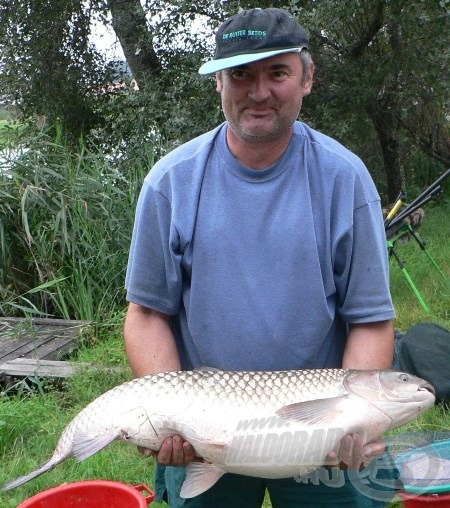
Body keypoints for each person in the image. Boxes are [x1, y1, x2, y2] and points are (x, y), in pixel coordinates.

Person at [124, 7, 396, 508]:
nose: (259, 91)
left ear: (307, 78)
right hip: (207, 429)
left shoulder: (345, 179)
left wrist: (355, 419)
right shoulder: (170, 183)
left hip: (319, 431)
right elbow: (146, 313)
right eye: (241, 74)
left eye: (277, 72)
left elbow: (370, 319)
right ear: (218, 84)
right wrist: (169, 416)